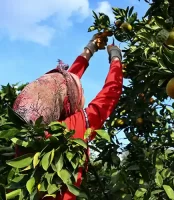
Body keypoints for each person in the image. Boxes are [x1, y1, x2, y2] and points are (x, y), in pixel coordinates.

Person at [12, 33, 123, 200]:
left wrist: (90, 48)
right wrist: (115, 57)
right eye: (82, 92)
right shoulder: (72, 129)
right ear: (68, 102)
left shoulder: (28, 132)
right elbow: (111, 93)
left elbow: (64, 84)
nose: (83, 94)